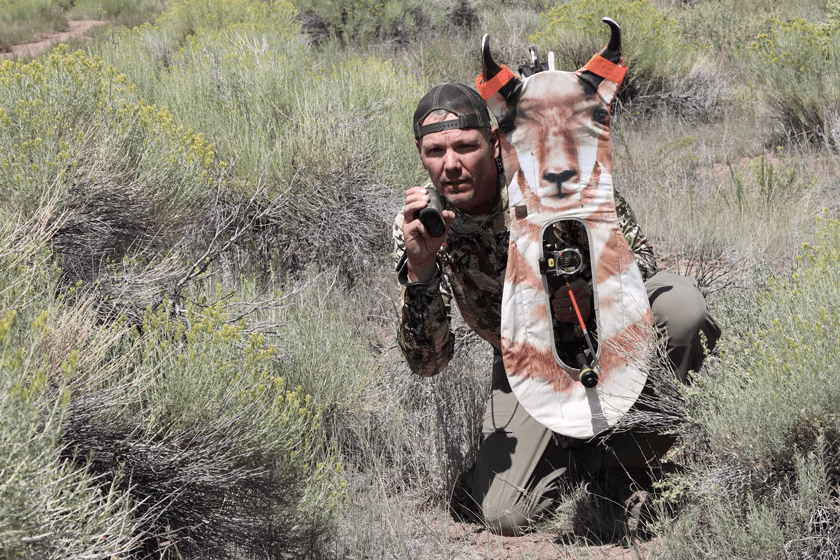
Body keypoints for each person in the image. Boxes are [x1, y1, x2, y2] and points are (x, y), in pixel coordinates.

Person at [392, 82, 721, 535]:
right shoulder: (422, 224)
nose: (451, 165)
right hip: (525, 360)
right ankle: (565, 451)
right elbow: (427, 363)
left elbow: (639, 260)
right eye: (435, 152)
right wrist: (422, 267)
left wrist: (594, 295)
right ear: (419, 151)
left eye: (465, 147)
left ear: (493, 141)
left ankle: (625, 466)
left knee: (682, 309)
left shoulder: (558, 176)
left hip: (606, 335)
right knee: (506, 516)